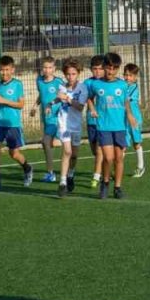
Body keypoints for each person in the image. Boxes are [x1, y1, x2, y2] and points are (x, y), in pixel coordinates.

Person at [0, 55, 33, 193]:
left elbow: (21, 104)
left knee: (14, 153)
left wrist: (5, 101)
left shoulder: (17, 84)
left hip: (12, 124)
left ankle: (27, 168)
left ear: (12, 69)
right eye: (2, 70)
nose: (4, 73)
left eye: (7, 69)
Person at [87, 53, 135, 200]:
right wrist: (92, 109)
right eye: (108, 68)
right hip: (103, 127)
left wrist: (129, 115)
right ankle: (105, 183)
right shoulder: (96, 84)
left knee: (119, 158)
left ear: (118, 69)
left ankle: (118, 187)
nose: (111, 71)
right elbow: (89, 98)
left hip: (119, 127)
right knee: (108, 158)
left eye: (114, 68)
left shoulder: (122, 84)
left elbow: (125, 101)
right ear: (104, 67)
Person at [53, 58, 89, 197]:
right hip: (64, 124)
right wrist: (51, 104)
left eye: (73, 74)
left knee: (74, 155)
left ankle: (70, 175)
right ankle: (62, 183)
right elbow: (58, 98)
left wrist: (68, 98)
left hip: (76, 124)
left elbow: (80, 107)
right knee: (67, 151)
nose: (70, 77)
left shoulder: (82, 88)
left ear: (78, 74)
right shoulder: (62, 87)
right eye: (68, 74)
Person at [32, 56, 62, 183]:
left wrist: (53, 106)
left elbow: (63, 97)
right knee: (47, 144)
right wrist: (35, 105)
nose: (47, 70)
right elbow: (42, 95)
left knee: (45, 142)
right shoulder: (39, 80)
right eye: (45, 67)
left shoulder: (58, 82)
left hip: (56, 119)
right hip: (46, 118)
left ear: (54, 69)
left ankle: (51, 173)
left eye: (50, 67)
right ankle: (51, 172)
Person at [85, 55, 106, 189]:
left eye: (100, 69)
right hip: (91, 122)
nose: (97, 71)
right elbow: (87, 97)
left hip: (104, 123)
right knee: (95, 151)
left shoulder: (108, 83)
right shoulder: (88, 83)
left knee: (100, 150)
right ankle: (106, 171)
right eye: (95, 69)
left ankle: (96, 177)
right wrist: (91, 108)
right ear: (91, 69)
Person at [124, 62, 145, 178]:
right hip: (124, 120)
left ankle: (141, 166)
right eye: (126, 75)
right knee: (122, 145)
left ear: (135, 77)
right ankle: (116, 169)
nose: (127, 78)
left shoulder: (135, 88)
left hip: (134, 119)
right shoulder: (122, 85)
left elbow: (125, 99)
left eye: (130, 75)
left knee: (136, 142)